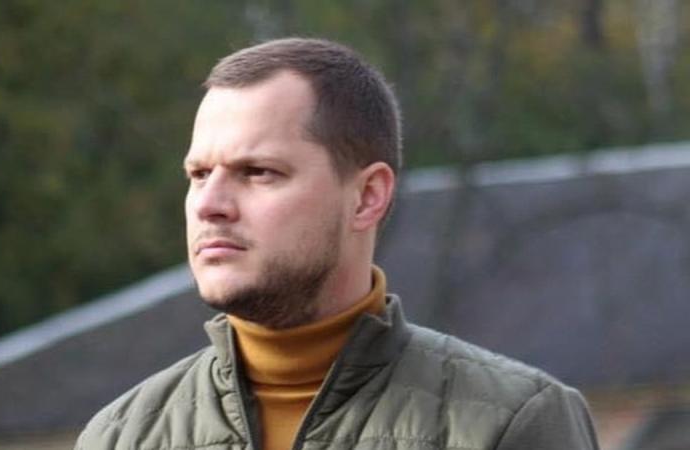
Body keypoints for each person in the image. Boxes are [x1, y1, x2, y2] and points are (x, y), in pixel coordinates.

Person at [75, 38, 599, 450]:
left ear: (367, 196)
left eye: (257, 172)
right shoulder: (121, 437)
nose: (209, 204)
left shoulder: (510, 423)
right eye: (199, 174)